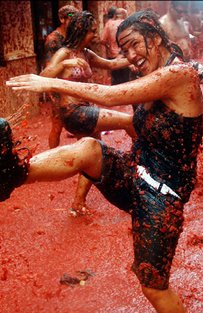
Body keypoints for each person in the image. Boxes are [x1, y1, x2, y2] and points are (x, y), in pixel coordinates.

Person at [0, 10, 203, 313]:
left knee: (153, 284)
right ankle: (12, 176)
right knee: (89, 151)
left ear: (154, 38)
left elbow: (111, 95)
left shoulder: (177, 74)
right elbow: (200, 119)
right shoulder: (155, 72)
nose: (131, 55)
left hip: (163, 197)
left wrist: (54, 84)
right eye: (124, 48)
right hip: (137, 173)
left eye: (135, 45)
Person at [41, 10, 135, 216]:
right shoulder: (64, 53)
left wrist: (136, 56)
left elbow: (112, 64)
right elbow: (44, 76)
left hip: (86, 110)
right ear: (81, 30)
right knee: (129, 121)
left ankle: (77, 203)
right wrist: (64, 64)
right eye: (92, 31)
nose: (95, 35)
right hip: (73, 112)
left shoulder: (86, 53)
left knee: (92, 153)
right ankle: (146, 162)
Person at [43, 4, 79, 149]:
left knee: (78, 124)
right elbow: (49, 68)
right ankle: (52, 157)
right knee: (57, 126)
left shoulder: (72, 36)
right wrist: (54, 92)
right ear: (62, 19)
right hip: (58, 86)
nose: (74, 21)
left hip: (72, 84)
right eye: (71, 18)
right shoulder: (53, 39)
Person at [102, 8, 131, 85]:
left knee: (115, 80)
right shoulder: (127, 23)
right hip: (125, 56)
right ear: (124, 15)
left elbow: (102, 40)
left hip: (113, 56)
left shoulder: (109, 24)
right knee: (126, 80)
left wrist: (109, 47)